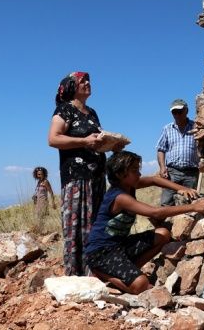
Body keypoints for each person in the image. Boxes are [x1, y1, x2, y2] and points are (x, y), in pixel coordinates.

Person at [85, 151, 204, 294]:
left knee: (163, 234)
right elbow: (155, 212)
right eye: (135, 170)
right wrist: (193, 207)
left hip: (119, 246)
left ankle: (129, 272)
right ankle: (103, 275)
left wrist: (182, 188)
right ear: (119, 174)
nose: (139, 174)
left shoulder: (129, 186)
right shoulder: (120, 197)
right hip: (101, 253)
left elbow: (154, 180)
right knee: (141, 284)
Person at [48, 71, 121, 276]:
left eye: (89, 80)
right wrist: (84, 141)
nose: (88, 83)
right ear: (72, 87)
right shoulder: (64, 110)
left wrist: (111, 145)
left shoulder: (92, 113)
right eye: (83, 81)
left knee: (95, 225)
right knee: (76, 226)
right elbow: (53, 139)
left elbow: (95, 140)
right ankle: (75, 274)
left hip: (97, 178)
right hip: (77, 179)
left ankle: (94, 271)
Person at [156, 99, 201, 206]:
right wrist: (162, 168)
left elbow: (202, 147)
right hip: (172, 173)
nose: (177, 114)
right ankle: (166, 223)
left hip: (191, 173)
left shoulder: (196, 127)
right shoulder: (167, 129)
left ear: (186, 111)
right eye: (174, 112)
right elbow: (160, 149)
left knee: (190, 202)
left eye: (179, 111)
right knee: (166, 202)